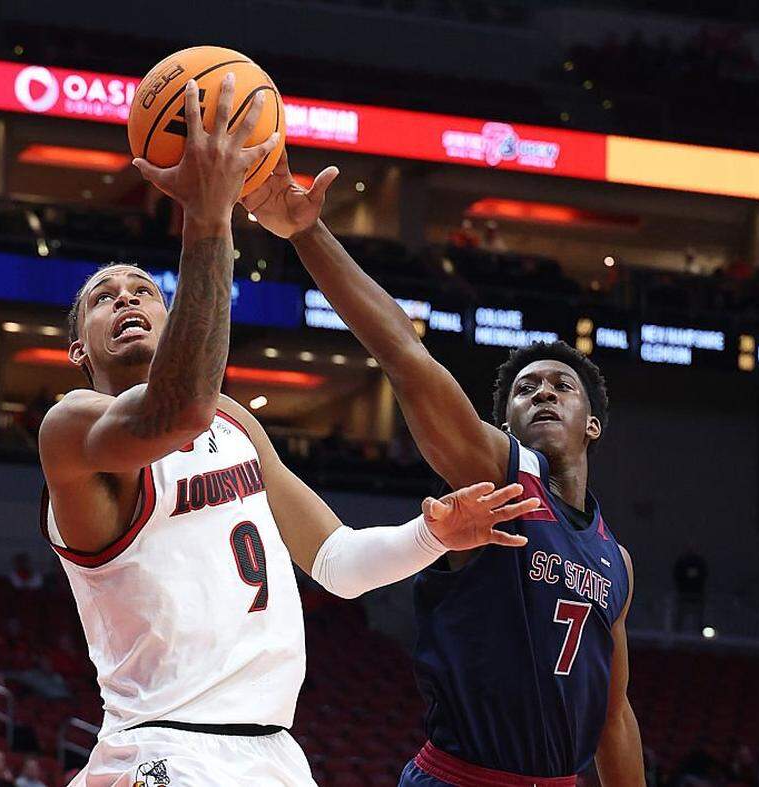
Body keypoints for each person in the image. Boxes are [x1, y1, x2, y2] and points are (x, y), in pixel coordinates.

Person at [39, 75, 537, 785]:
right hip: (164, 749)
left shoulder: (236, 422)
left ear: (170, 312)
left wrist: (432, 536)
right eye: (103, 298)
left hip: (274, 752)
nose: (126, 298)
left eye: (144, 290)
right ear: (80, 350)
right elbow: (174, 411)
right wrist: (208, 219)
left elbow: (336, 561)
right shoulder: (71, 428)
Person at [243, 149, 643, 785]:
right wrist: (309, 234)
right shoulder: (498, 472)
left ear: (593, 423)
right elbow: (404, 354)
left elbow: (614, 716)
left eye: (561, 386)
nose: (542, 392)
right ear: (503, 423)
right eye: (525, 388)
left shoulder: (613, 558)